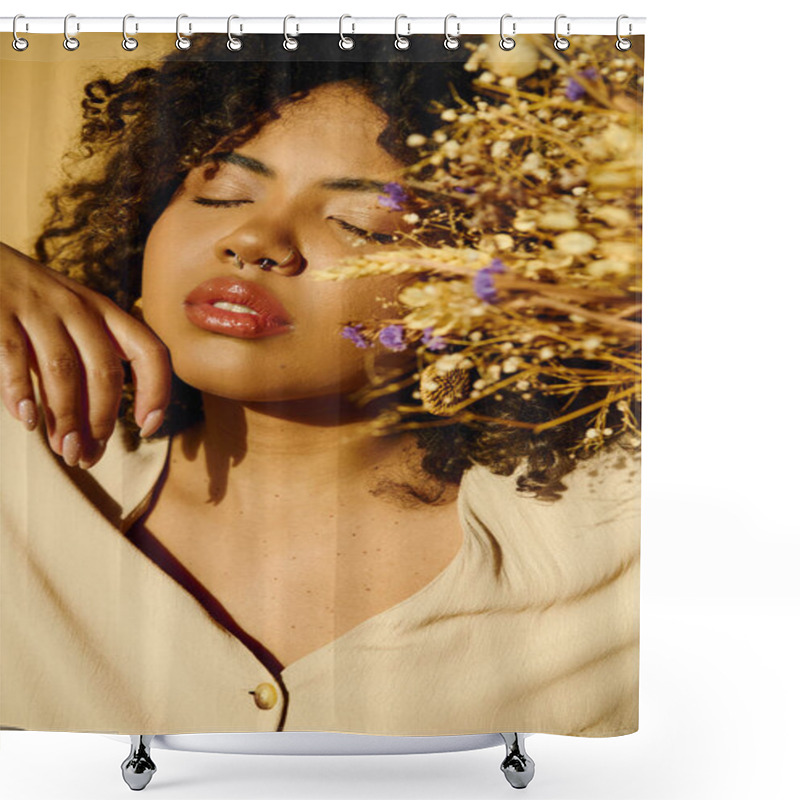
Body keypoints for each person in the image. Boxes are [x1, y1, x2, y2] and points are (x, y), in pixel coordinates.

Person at [0, 34, 641, 736]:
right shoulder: (23, 454)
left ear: (483, 285)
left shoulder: (623, 549)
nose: (256, 239)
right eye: (222, 194)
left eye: (358, 223)